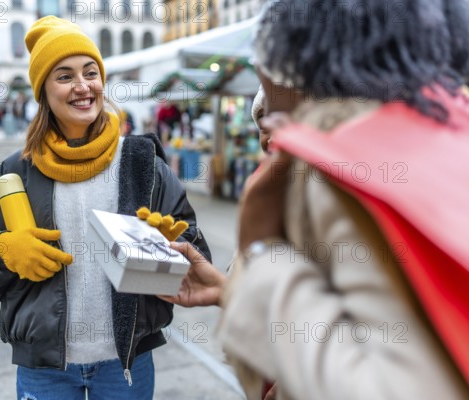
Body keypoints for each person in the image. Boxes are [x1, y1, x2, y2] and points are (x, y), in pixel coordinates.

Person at [162, 1, 469, 399]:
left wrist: (261, 257)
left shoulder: (335, 172)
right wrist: (229, 288)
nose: (266, 137)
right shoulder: (436, 134)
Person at [0, 16, 211, 400]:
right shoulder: (15, 172)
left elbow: (196, 257)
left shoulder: (142, 162)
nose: (82, 86)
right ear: (43, 90)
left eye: (90, 72)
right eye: (64, 76)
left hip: (126, 363)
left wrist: (170, 248)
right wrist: (1, 250)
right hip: (45, 370)